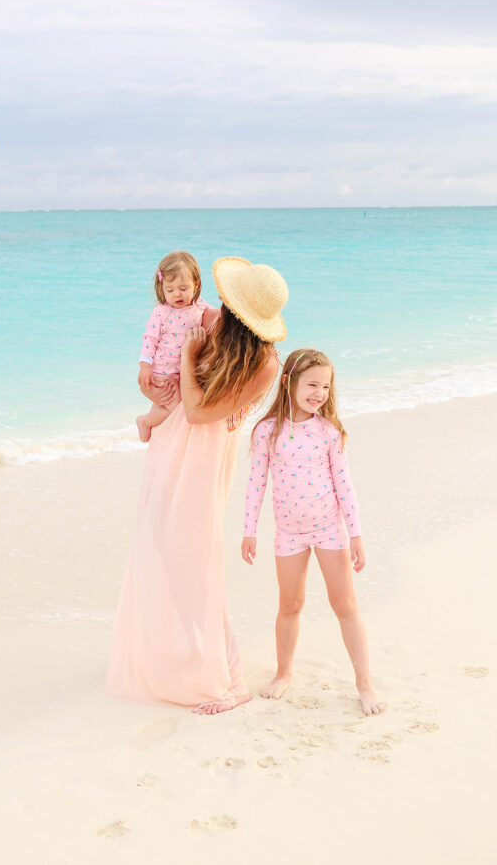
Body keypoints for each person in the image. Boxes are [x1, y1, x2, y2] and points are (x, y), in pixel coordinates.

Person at [105, 256, 288, 715]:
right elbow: (169, 368)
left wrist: (188, 358)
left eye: (229, 303)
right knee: (162, 548)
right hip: (172, 443)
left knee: (196, 560)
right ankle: (184, 653)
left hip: (204, 456)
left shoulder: (265, 364)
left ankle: (228, 680)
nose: (219, 307)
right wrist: (152, 386)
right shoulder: (214, 323)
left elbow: (201, 410)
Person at [241, 348, 386, 716]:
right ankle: (283, 672)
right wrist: (249, 530)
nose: (319, 393)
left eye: (325, 386)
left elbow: (345, 486)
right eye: (312, 384)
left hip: (328, 531)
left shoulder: (329, 432)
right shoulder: (267, 431)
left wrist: (356, 534)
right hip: (288, 532)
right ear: (288, 381)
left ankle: (364, 683)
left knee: (345, 605)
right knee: (290, 605)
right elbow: (256, 482)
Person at [136, 250, 217, 443]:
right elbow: (149, 339)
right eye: (170, 290)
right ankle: (145, 422)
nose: (177, 294)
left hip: (182, 373)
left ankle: (159, 435)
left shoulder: (201, 306)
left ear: (196, 284)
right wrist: (145, 366)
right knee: (176, 410)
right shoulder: (161, 312)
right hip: (162, 373)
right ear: (162, 288)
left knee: (166, 406)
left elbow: (218, 319)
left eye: (183, 288)